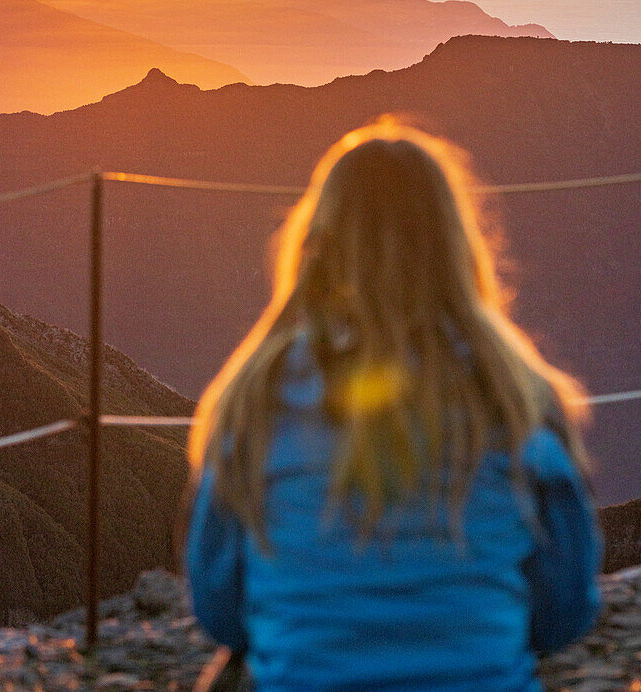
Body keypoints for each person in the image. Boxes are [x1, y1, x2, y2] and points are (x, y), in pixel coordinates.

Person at [185, 118, 602, 692]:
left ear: (317, 244)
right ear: (456, 244)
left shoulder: (254, 404)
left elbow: (222, 612)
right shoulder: (520, 404)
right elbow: (563, 615)